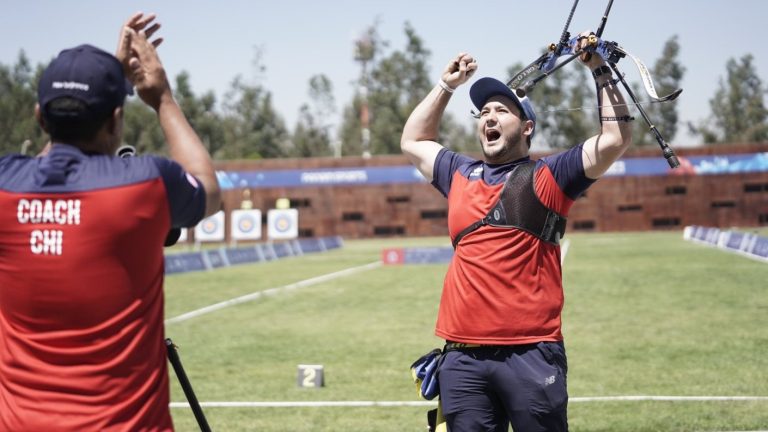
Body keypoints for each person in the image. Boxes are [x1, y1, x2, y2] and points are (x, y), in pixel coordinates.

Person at [0, 13, 220, 431]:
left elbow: (49, 165)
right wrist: (163, 99)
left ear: (40, 117)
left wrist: (109, 81)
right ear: (117, 119)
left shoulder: (6, 185)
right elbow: (208, 189)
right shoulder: (144, 184)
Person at [401, 34, 632, 431]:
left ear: (527, 128)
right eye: (483, 112)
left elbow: (615, 139)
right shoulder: (458, 172)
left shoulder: (550, 175)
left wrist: (598, 68)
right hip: (463, 357)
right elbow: (413, 140)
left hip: (531, 354)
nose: (488, 117)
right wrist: (445, 86)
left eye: (501, 111)